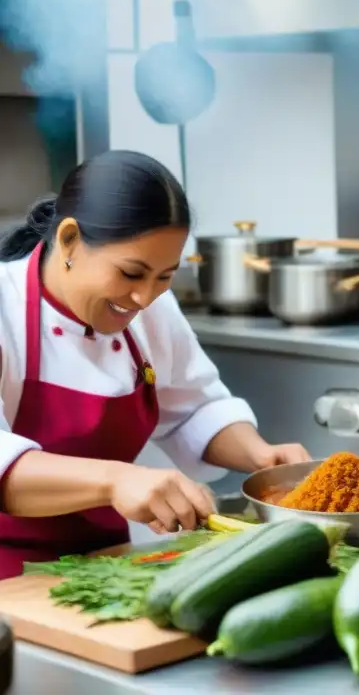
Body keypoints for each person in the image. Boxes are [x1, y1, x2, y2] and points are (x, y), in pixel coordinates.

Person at [0, 150, 311, 579]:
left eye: (164, 276)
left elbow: (195, 409)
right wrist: (117, 481)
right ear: (70, 239)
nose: (145, 298)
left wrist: (260, 455)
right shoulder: (4, 308)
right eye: (131, 273)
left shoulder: (149, 310)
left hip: (101, 565)